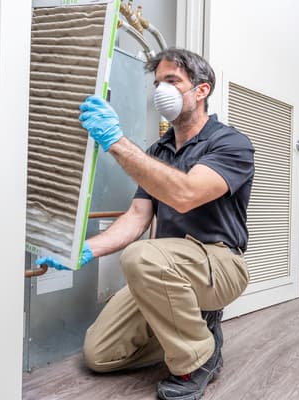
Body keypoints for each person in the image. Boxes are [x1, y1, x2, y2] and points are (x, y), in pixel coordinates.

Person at [77, 48, 254, 400]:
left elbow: (186, 194)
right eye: (157, 82)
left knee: (140, 257)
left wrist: (117, 143)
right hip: (165, 267)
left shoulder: (229, 142)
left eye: (172, 81)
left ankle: (198, 358)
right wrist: (82, 250)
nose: (161, 90)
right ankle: (193, 331)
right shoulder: (159, 152)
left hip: (219, 263)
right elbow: (137, 217)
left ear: (201, 90)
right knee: (100, 354)